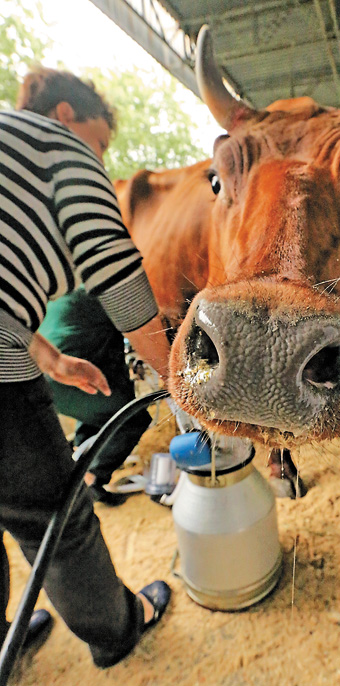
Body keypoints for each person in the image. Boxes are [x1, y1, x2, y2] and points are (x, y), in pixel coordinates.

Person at [0, 66, 172, 670]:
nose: (100, 160)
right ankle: (117, 628)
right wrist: (181, 379)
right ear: (67, 115)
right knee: (55, 517)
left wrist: (47, 357)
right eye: (101, 144)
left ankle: (7, 638)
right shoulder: (56, 144)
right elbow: (116, 272)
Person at [38, 286, 152, 506]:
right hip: (65, 377)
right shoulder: (108, 290)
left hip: (48, 378)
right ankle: (92, 481)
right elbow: (141, 329)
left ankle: (80, 465)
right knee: (132, 417)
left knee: (96, 411)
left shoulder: (66, 292)